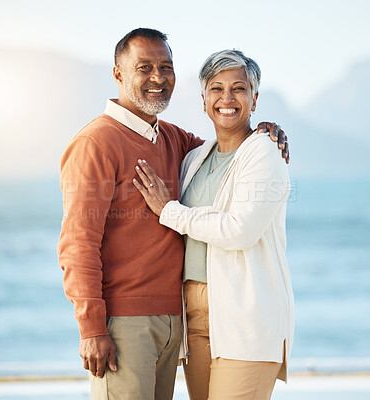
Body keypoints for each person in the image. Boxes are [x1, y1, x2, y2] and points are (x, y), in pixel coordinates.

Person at [57, 28, 289, 400]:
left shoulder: (176, 140)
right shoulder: (95, 142)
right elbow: (77, 244)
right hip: (124, 322)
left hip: (176, 323)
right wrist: (91, 328)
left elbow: (229, 149)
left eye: (166, 67)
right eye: (144, 67)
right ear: (118, 73)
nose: (158, 78)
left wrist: (265, 131)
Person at [133, 49, 294, 400]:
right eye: (216, 89)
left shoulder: (265, 152)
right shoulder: (194, 157)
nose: (227, 98)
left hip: (244, 316)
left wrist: (170, 211)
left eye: (239, 88)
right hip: (196, 318)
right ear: (203, 99)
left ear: (255, 97)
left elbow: (240, 229)